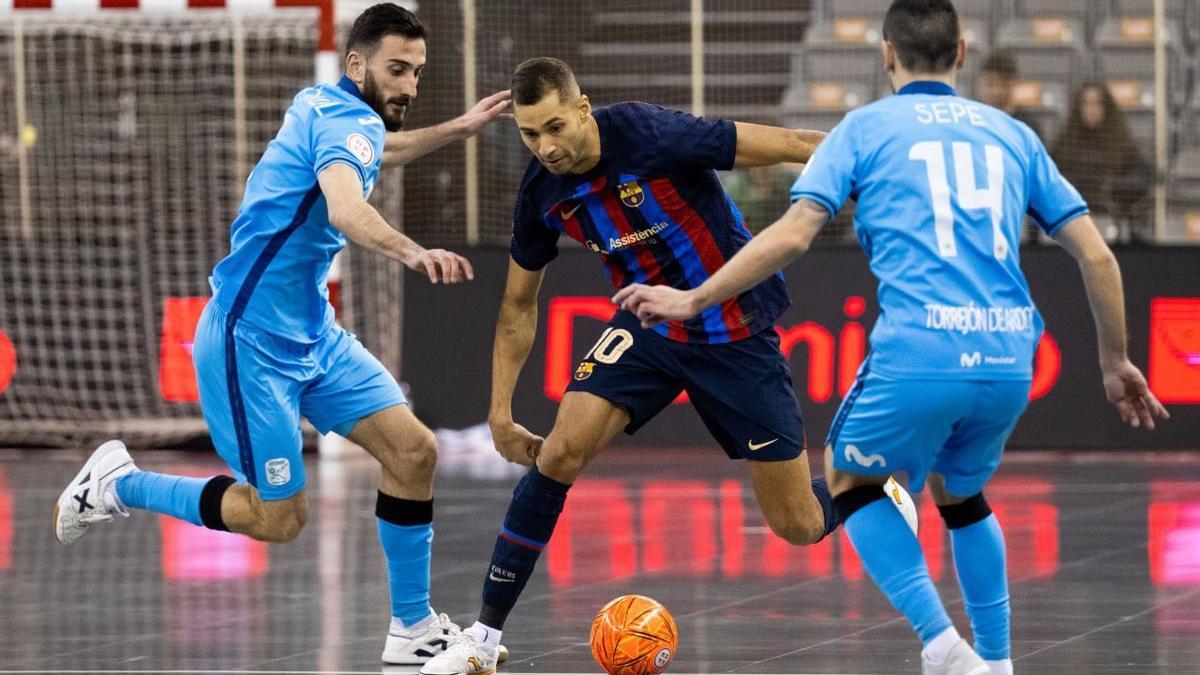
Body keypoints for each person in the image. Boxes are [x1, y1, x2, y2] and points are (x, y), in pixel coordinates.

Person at [615, 1, 1169, 674]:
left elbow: (792, 234)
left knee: (848, 477)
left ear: (886, 54)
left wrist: (694, 296)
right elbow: (1099, 257)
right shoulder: (1011, 134)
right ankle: (996, 662)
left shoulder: (863, 128)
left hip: (922, 348)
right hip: (1009, 351)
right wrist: (1116, 361)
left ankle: (941, 644)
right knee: (961, 494)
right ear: (962, 52)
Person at [420, 56, 916, 675]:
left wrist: (887, 173)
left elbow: (792, 142)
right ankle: (483, 641)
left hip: (735, 329)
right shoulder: (542, 193)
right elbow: (519, 303)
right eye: (528, 133)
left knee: (798, 524)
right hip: (647, 325)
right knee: (559, 454)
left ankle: (870, 488)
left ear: (582, 107)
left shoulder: (649, 133)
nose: (544, 146)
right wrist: (498, 413)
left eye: (554, 127)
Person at [53, 4, 512, 666]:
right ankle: (119, 484)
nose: (409, 86)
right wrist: (412, 252)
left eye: (416, 72)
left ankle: (411, 625)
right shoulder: (340, 120)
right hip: (249, 344)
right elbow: (347, 206)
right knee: (278, 519)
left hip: (314, 336)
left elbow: (379, 146)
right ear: (356, 64)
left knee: (413, 451)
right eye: (396, 70)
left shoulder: (331, 107)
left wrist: (460, 127)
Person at [1051, 82, 1153, 242]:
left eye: (1097, 103)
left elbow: (1142, 177)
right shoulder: (1064, 145)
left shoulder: (1122, 144)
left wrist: (1113, 186)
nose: (1091, 109)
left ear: (1107, 107)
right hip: (1071, 223)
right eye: (1086, 103)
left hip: (1113, 221)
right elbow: (1051, 179)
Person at [977, 50, 1044, 141]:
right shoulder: (970, 122)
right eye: (989, 84)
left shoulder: (1028, 127)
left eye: (1003, 84)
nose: (995, 91)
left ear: (1013, 84)